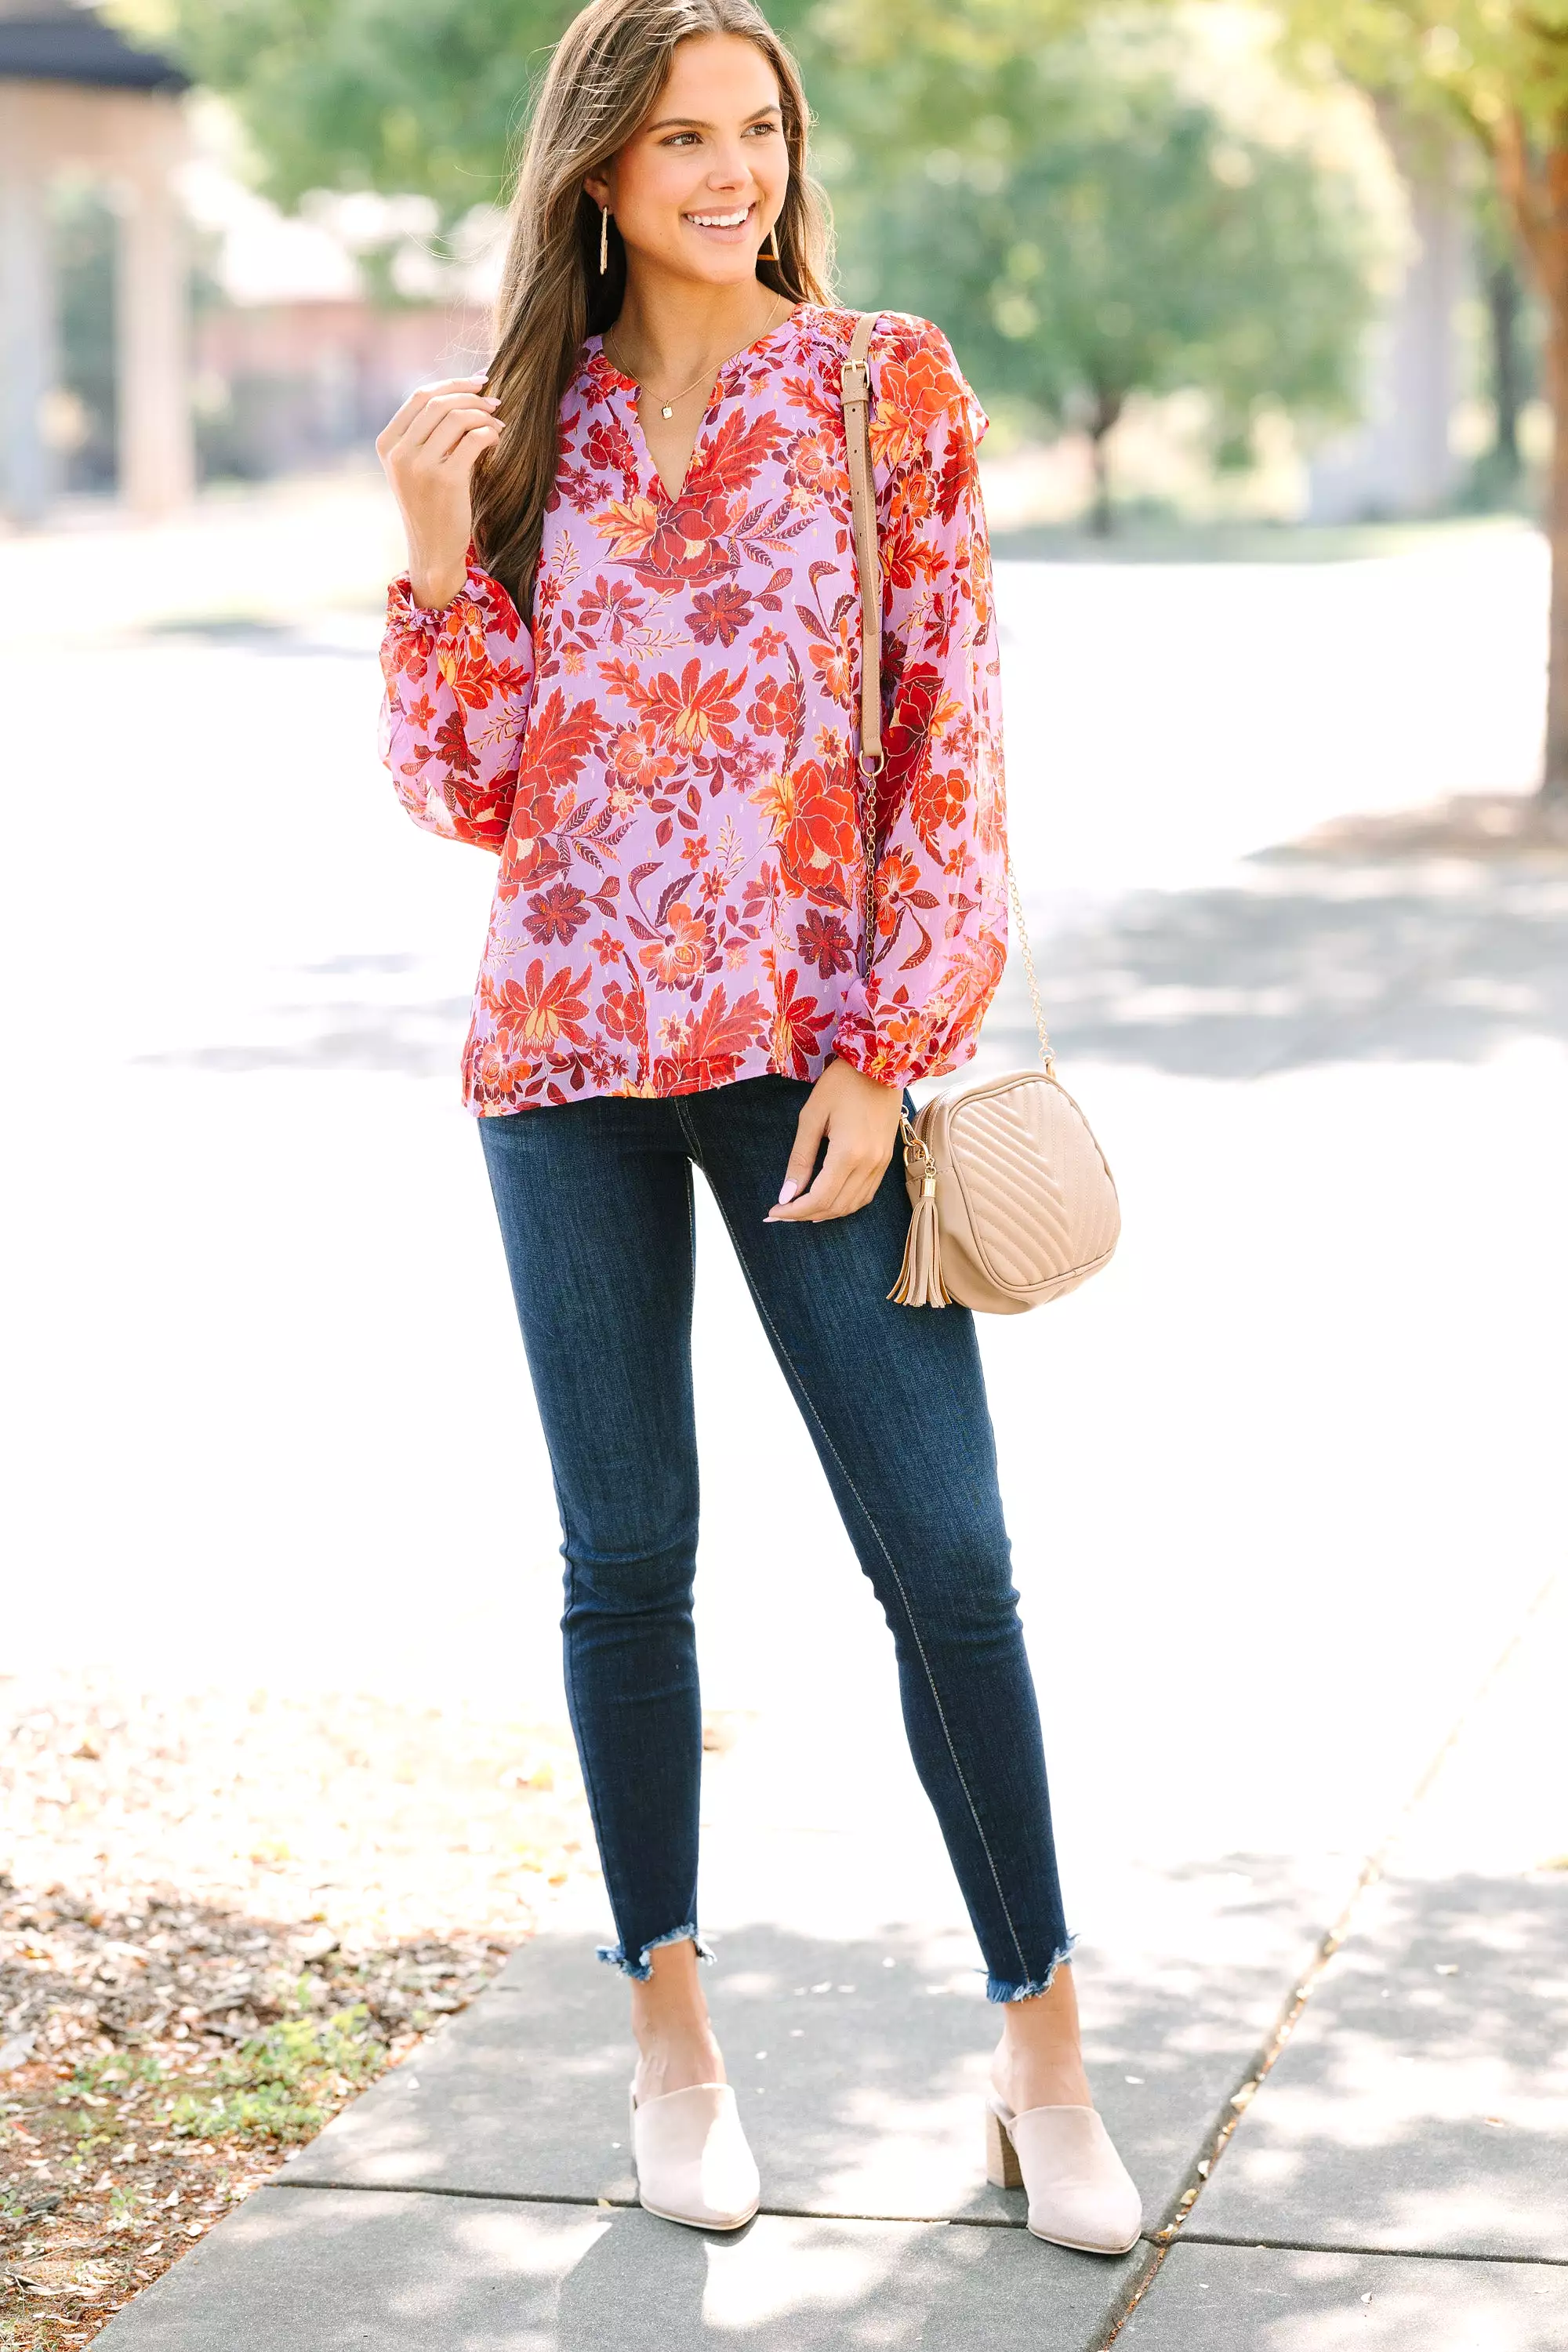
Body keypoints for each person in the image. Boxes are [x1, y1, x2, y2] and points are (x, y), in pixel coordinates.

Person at [376, 0, 1139, 2257]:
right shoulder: (520, 429)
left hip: (823, 1067)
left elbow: (953, 739)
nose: (733, 168)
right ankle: (673, 2049)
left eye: (760, 127)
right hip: (564, 1069)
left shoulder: (884, 384)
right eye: (685, 134)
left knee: (950, 1557)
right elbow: (471, 794)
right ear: (595, 168)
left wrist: (894, 1043)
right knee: (627, 1564)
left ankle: (1047, 2063)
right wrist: (434, 564)